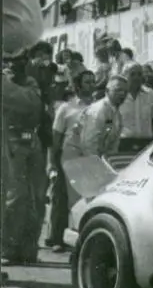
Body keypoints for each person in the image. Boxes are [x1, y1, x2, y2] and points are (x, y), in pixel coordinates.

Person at [3, 0, 47, 280]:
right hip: (16, 144)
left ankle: (23, 249)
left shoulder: (29, 83)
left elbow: (35, 111)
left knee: (28, 201)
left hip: (27, 145)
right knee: (15, 199)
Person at [1, 51, 48, 267]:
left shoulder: (30, 81)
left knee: (36, 197)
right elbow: (22, 102)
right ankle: (9, 248)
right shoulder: (9, 81)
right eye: (10, 59)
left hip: (31, 137)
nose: (15, 63)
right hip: (10, 138)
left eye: (20, 59)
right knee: (15, 196)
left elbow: (34, 105)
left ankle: (29, 248)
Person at [47, 70, 96, 253]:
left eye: (93, 81)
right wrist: (53, 163)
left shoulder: (99, 106)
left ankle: (82, 239)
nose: (91, 85)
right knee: (62, 199)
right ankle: (57, 239)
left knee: (86, 198)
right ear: (78, 85)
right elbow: (56, 137)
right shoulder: (65, 108)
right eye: (87, 82)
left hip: (89, 158)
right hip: (67, 157)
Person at [65, 75, 128, 160]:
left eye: (125, 91)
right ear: (107, 91)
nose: (122, 94)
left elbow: (113, 145)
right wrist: (97, 166)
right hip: (80, 159)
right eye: (118, 90)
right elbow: (89, 144)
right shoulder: (99, 110)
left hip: (100, 159)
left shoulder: (117, 113)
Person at [118, 63, 153, 153]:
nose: (136, 78)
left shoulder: (150, 94)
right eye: (132, 74)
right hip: (124, 144)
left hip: (146, 144)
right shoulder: (118, 95)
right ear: (124, 76)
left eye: (139, 74)